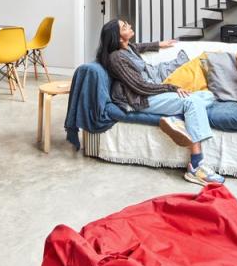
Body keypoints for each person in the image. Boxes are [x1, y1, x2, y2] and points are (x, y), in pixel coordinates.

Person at [96, 19, 225, 186]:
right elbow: (139, 86)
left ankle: (177, 119)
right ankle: (196, 166)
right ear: (119, 37)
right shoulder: (116, 58)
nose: (129, 25)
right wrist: (171, 87)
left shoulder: (128, 48)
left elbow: (140, 46)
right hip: (140, 98)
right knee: (192, 103)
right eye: (124, 26)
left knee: (208, 95)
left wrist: (159, 44)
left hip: (149, 92)